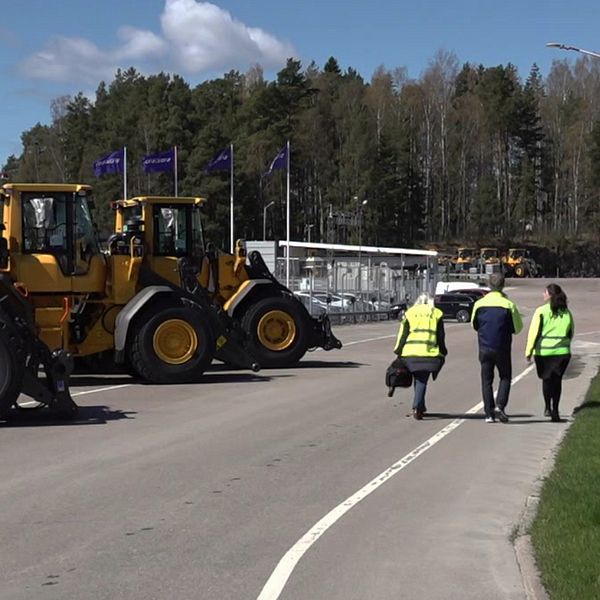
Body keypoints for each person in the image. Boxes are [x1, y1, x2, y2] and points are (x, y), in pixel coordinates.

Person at [471, 272, 523, 423]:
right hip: (502, 347)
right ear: (503, 286)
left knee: (486, 380)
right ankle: (500, 405)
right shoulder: (508, 305)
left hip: (484, 347)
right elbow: (517, 328)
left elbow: (474, 325)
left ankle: (488, 413)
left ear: (488, 285)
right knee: (505, 377)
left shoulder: (479, 304)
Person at [393, 293, 447, 420]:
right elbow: (440, 336)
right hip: (429, 353)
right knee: (422, 379)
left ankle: (420, 406)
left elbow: (403, 334)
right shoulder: (437, 313)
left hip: (410, 353)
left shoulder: (410, 313)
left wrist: (398, 350)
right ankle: (417, 406)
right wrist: (443, 351)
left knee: (418, 379)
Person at [525, 283, 574, 422]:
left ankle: (547, 406)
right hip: (562, 352)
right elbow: (571, 331)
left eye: (545, 292)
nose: (543, 295)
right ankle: (555, 409)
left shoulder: (541, 311)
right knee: (557, 381)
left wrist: (529, 351)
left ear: (550, 295)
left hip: (544, 352)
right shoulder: (566, 312)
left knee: (547, 380)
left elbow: (533, 332)